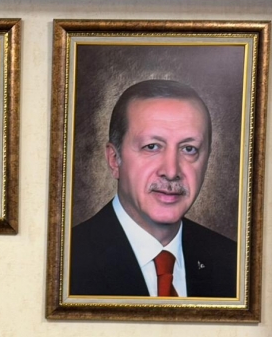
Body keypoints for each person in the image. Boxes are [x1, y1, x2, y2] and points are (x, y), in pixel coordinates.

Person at [69, 79, 237, 298]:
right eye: (152, 147)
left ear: (206, 161)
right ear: (114, 160)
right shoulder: (67, 260)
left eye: (189, 149)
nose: (171, 171)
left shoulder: (233, 263)